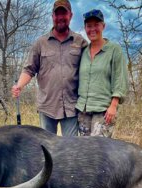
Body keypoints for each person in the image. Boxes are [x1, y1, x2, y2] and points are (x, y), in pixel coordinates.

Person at [11, 0, 88, 137]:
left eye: (64, 13)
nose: (60, 18)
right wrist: (19, 86)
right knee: (46, 149)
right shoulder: (40, 43)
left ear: (70, 15)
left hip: (71, 106)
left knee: (70, 150)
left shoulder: (80, 42)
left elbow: (91, 68)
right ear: (52, 16)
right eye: (57, 14)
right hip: (47, 106)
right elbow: (29, 69)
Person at [75, 9, 129, 137]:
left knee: (99, 151)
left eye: (96, 25)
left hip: (103, 111)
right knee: (84, 149)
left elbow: (120, 79)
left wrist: (113, 106)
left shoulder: (114, 50)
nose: (92, 29)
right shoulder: (83, 51)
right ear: (85, 28)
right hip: (83, 111)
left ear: (103, 26)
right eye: (89, 26)